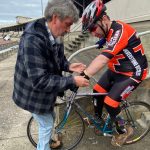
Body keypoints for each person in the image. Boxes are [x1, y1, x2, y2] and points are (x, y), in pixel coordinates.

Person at [12, 0, 89, 150]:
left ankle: (48, 141)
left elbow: (58, 59)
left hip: (43, 93)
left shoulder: (54, 33)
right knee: (46, 124)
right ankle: (44, 146)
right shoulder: (32, 39)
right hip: (32, 93)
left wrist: (68, 66)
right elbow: (40, 80)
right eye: (67, 24)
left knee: (50, 118)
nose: (69, 29)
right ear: (55, 18)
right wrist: (72, 80)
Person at [82, 0, 148, 147]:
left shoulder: (121, 31)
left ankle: (124, 129)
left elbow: (103, 58)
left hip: (133, 73)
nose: (93, 33)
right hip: (117, 70)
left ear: (104, 19)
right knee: (97, 91)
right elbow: (108, 37)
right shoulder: (108, 30)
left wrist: (84, 74)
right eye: (90, 31)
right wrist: (102, 40)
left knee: (111, 103)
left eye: (93, 28)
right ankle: (98, 119)